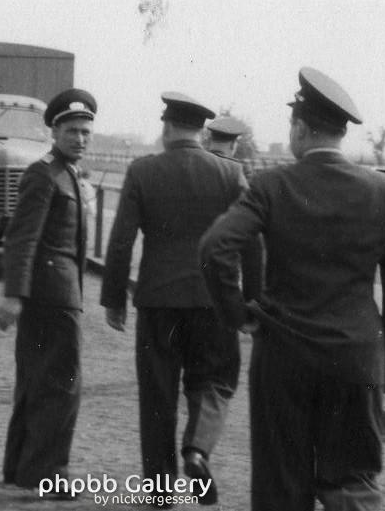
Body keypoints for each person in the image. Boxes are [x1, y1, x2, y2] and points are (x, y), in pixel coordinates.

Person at [200, 67, 385, 511]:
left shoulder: (270, 185)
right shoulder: (384, 190)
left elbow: (215, 247)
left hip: (283, 360)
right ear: (341, 133)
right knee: (353, 484)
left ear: (300, 129)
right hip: (355, 360)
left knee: (281, 487)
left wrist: (238, 314)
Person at [102, 92, 251, 506]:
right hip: (214, 301)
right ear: (201, 132)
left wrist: (114, 298)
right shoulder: (230, 173)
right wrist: (249, 302)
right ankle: (198, 449)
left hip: (158, 300)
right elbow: (252, 241)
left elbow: (121, 240)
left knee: (157, 395)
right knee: (215, 381)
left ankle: (160, 492)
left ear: (167, 128)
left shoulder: (142, 170)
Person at [0, 88, 96, 499]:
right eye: (72, 131)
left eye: (86, 132)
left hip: (55, 292)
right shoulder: (43, 173)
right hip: (53, 296)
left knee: (36, 380)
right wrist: (13, 295)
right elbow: (22, 237)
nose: (80, 139)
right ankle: (49, 474)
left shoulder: (67, 173)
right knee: (61, 386)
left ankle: (21, 469)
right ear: (53, 132)